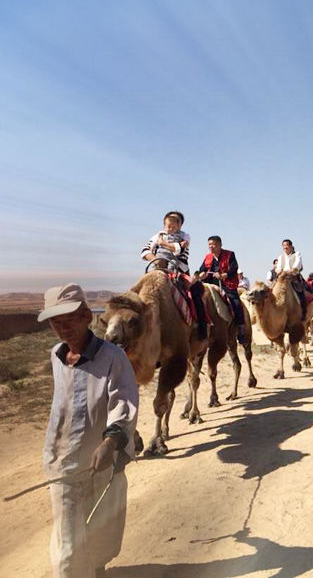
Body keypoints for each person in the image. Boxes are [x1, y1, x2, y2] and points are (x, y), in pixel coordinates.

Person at [38, 283, 139, 578]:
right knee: (67, 550)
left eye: (69, 318)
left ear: (85, 315)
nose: (63, 327)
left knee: (101, 535)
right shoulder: (56, 356)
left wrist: (112, 440)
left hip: (102, 464)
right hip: (63, 467)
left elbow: (124, 401)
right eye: (56, 322)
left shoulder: (113, 357)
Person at [141, 210, 207, 339]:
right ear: (164, 224)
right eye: (168, 223)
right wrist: (156, 260)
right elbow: (144, 251)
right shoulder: (157, 236)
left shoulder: (185, 236)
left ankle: (201, 328)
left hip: (179, 269)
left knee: (197, 290)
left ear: (180, 225)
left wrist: (163, 244)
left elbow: (179, 249)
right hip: (157, 268)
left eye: (176, 223)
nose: (171, 227)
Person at [198, 236, 247, 344]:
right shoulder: (208, 257)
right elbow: (202, 269)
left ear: (220, 245)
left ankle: (241, 328)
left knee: (236, 302)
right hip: (210, 283)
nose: (211, 246)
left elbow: (234, 268)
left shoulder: (230, 254)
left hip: (226, 284)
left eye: (214, 244)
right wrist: (201, 274)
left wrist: (224, 275)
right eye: (209, 244)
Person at [275, 239, 308, 320]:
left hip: (293, 278)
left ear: (290, 246)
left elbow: (297, 265)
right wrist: (279, 271)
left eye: (286, 245)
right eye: (283, 246)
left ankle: (303, 313)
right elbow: (278, 268)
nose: (285, 247)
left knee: (301, 294)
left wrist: (291, 271)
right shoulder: (280, 257)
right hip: (282, 279)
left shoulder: (297, 254)